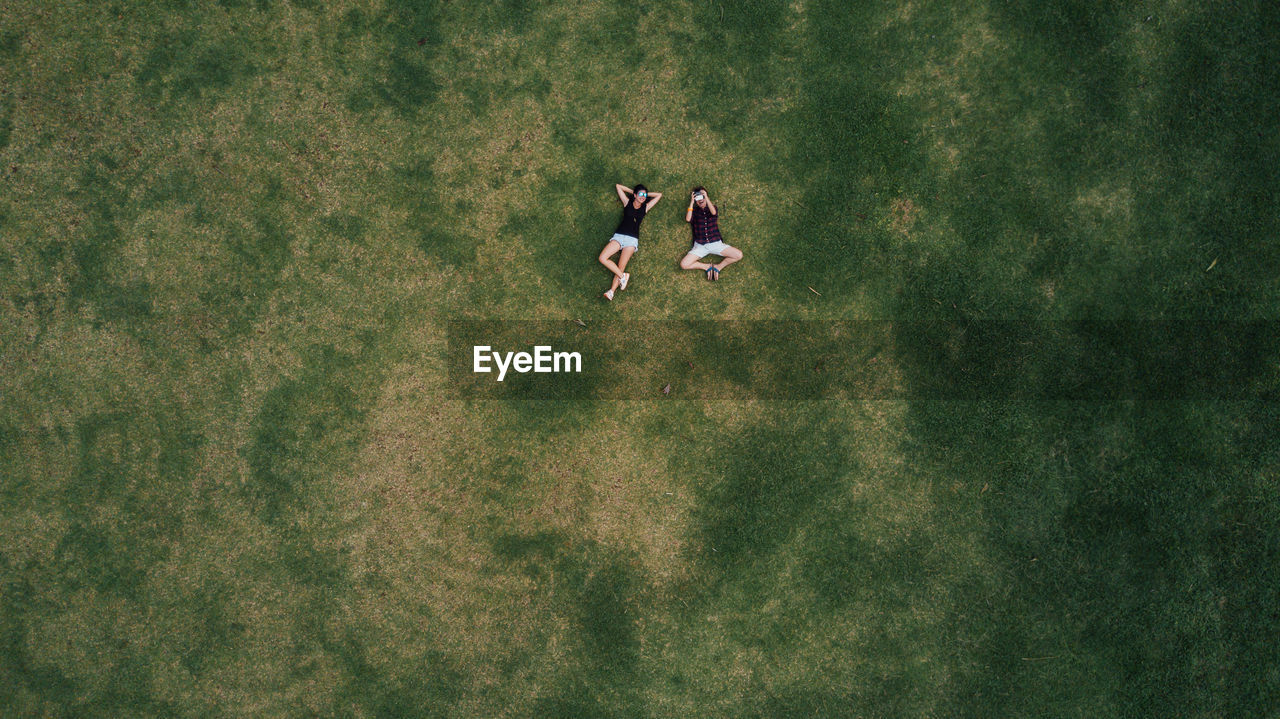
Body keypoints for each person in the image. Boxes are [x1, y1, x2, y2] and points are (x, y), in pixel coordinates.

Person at [599, 183, 661, 300]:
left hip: (632, 241)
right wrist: (633, 192)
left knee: (620, 266)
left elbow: (659, 195)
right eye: (641, 194)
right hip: (619, 236)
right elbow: (618, 186)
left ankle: (611, 291)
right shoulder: (627, 203)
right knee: (602, 258)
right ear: (634, 194)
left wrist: (645, 195)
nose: (643, 196)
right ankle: (623, 277)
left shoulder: (645, 207)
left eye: (645, 195)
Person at [680, 186, 742, 280]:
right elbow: (688, 219)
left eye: (702, 196)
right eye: (698, 198)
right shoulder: (695, 211)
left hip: (715, 243)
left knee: (738, 255)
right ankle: (707, 267)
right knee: (684, 264)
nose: (700, 200)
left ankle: (718, 267)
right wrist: (692, 202)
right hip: (700, 245)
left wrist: (706, 196)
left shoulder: (713, 208)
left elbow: (713, 212)